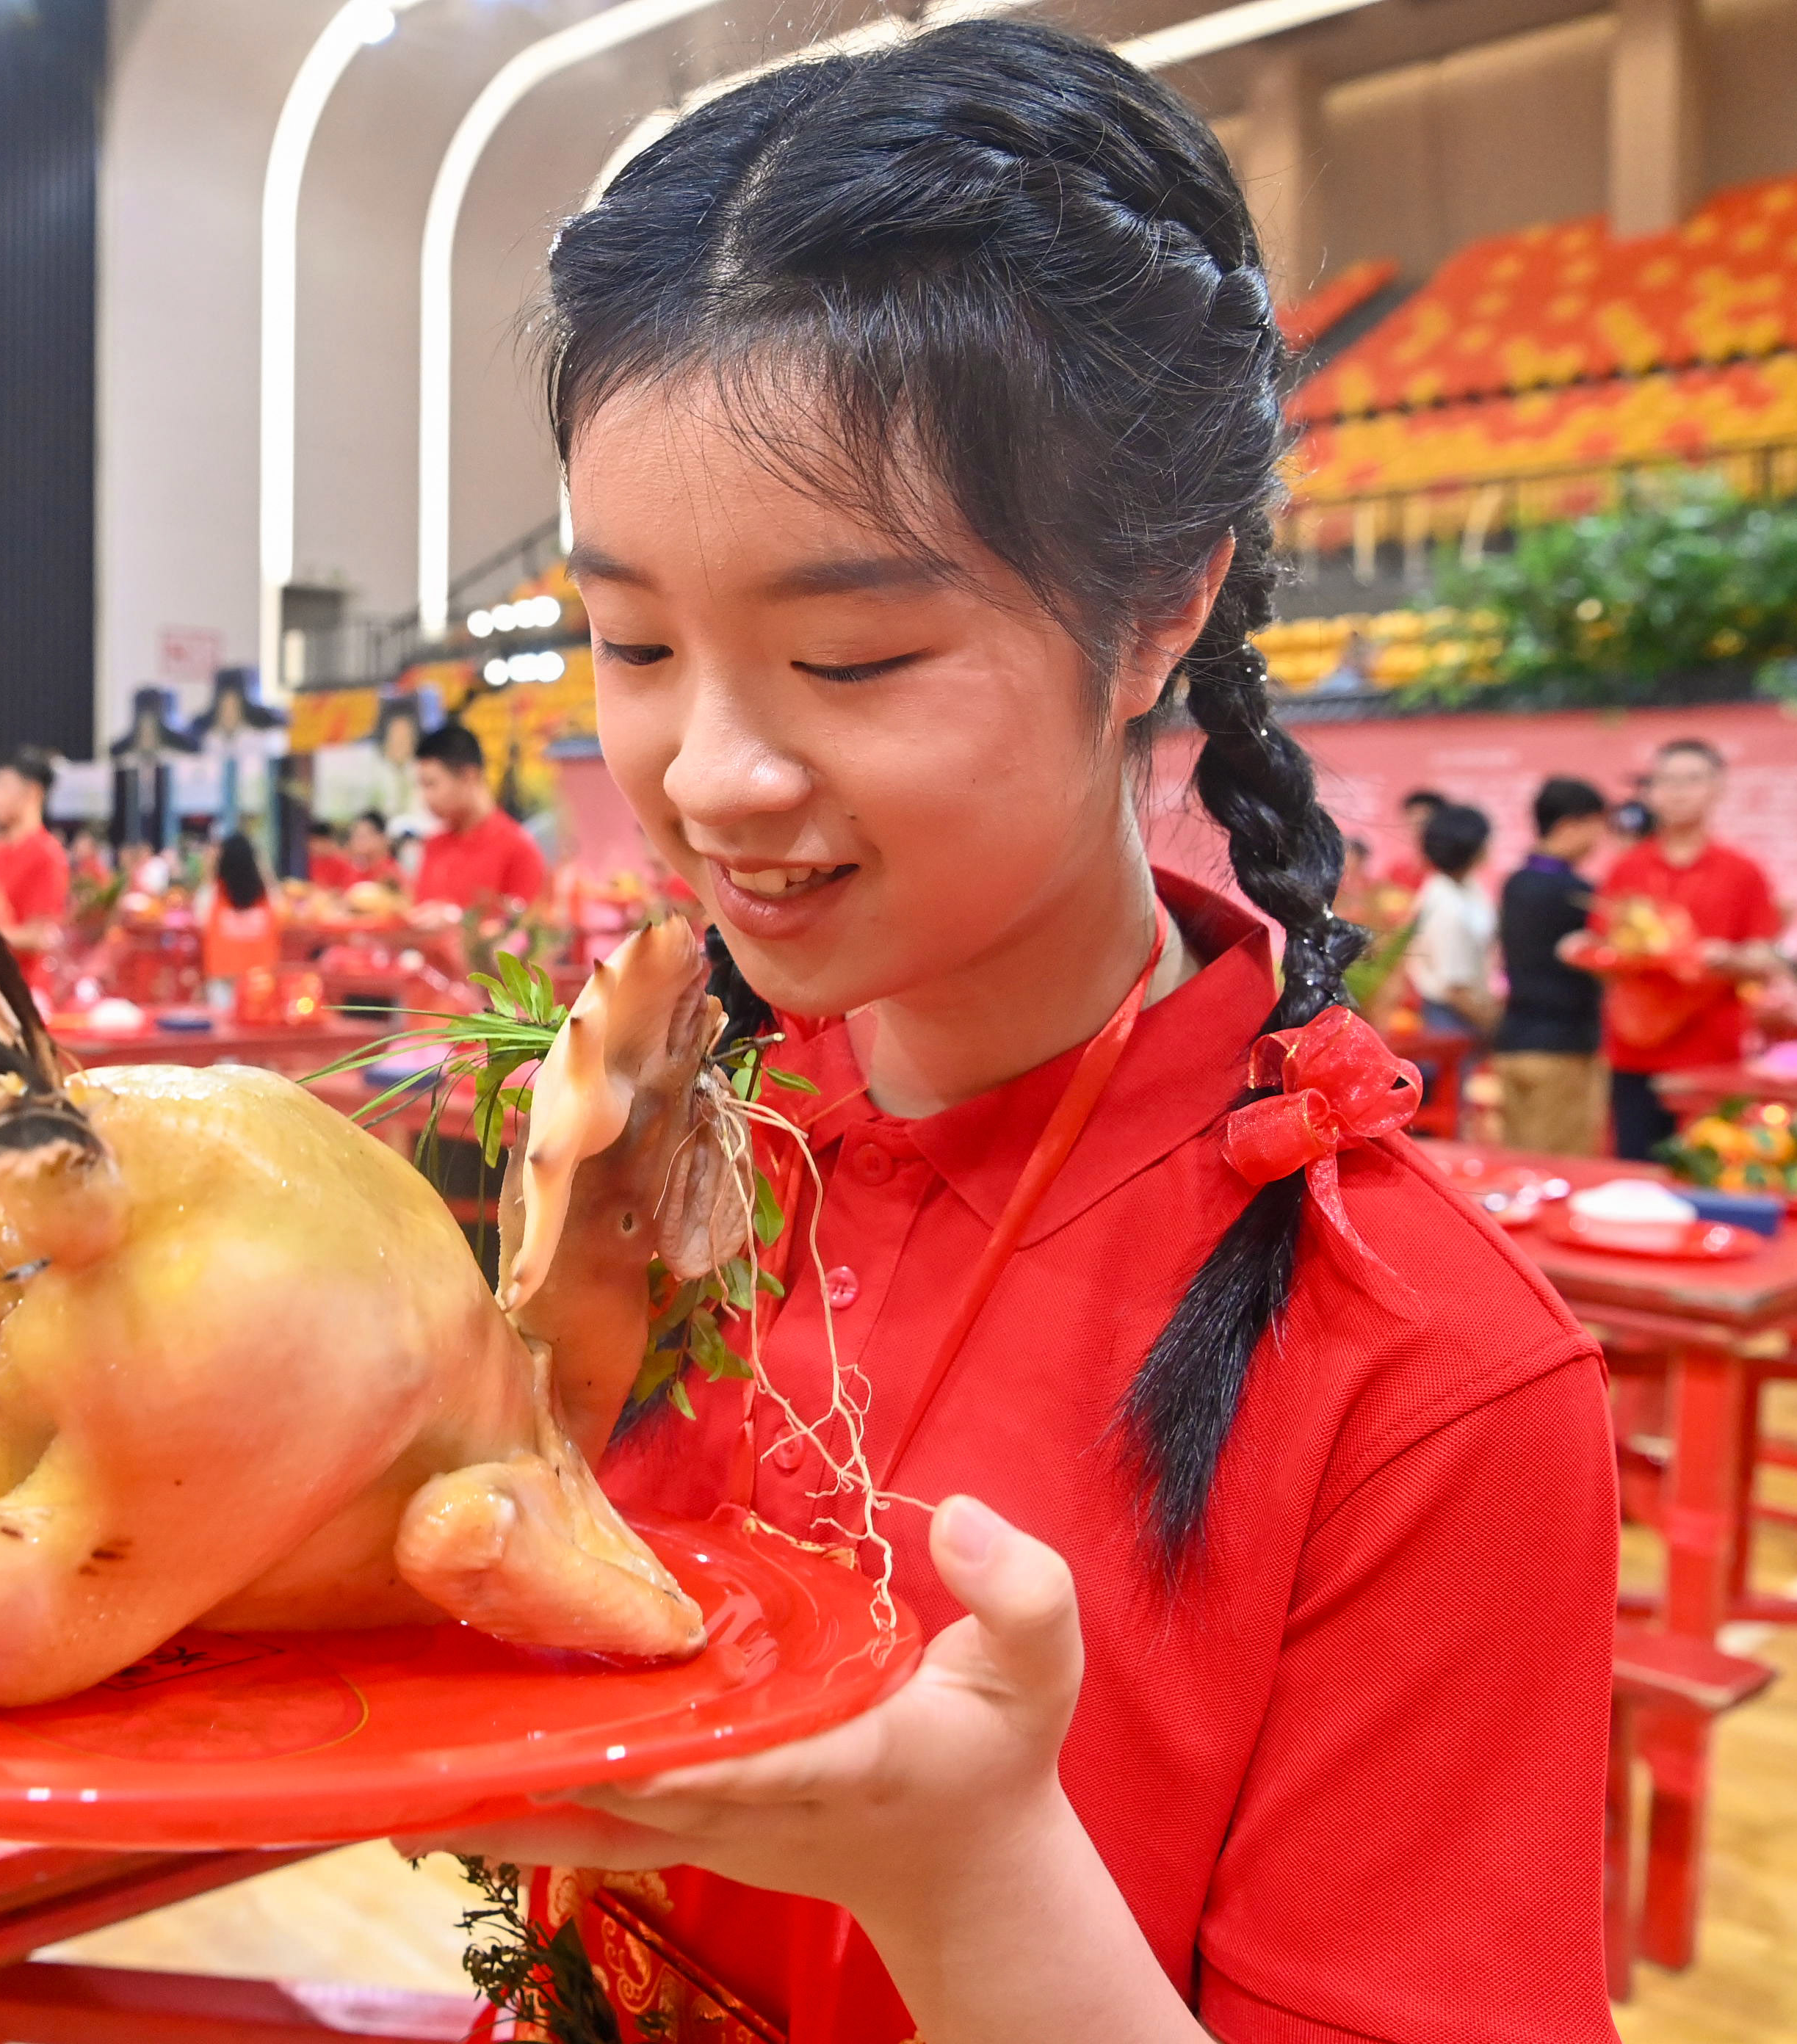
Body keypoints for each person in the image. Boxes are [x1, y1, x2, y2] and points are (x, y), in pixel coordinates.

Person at [427, 24, 1612, 2042]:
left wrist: (964, 1877)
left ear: (1158, 609)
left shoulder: (1424, 1379)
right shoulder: (640, 1144)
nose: (705, 774)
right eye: (632, 643)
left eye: (850, 655)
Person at [1602, 738, 1781, 1161]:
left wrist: (1729, 959)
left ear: (1718, 788)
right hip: (1634, 1052)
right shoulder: (1627, 867)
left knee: (1710, 1173)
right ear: (1650, 792)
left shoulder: (1743, 871)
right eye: (1666, 781)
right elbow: (1604, 948)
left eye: (1692, 780)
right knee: (1635, 1174)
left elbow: (1766, 960)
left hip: (1711, 1055)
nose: (1678, 792)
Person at [1493, 778, 1610, 1154]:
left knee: (1516, 1162)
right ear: (1570, 825)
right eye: (1596, 827)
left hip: (1513, 1041)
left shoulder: (1515, 883)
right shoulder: (1578, 893)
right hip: (1564, 1047)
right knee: (1562, 1165)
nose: (1599, 840)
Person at [409, 723, 546, 923]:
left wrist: (455, 921)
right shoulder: (434, 845)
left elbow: (523, 934)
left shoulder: (519, 849)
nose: (426, 798)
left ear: (469, 777)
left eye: (431, 784)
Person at [1402, 801, 1497, 1037]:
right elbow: (1455, 989)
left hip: (1469, 1003)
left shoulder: (1468, 888)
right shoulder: (1445, 905)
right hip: (1450, 1015)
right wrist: (1498, 1031)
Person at [0, 747, 70, 962]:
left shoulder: (47, 855)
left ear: (33, 792)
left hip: (23, 980)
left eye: (3, 787)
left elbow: (39, 936)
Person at [198, 832, 283, 987]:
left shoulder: (212, 894)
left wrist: (210, 869)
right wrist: (263, 865)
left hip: (223, 978)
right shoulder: (268, 896)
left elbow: (200, 918)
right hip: (260, 982)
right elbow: (280, 910)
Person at [1378, 787, 1447, 891]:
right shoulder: (1397, 871)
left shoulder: (1450, 871)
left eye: (1425, 817)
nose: (1417, 824)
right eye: (1413, 815)